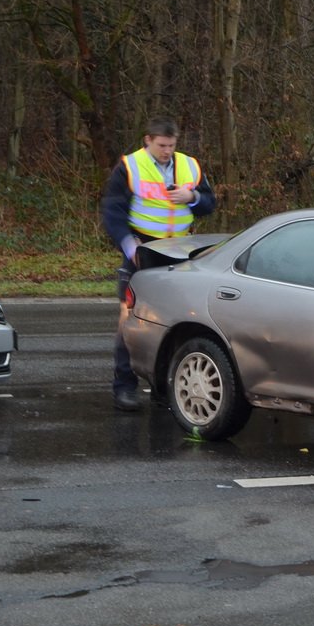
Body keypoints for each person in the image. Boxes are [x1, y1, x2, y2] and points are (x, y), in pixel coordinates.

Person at [101, 117, 216, 411]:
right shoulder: (130, 166)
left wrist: (192, 196)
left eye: (172, 145)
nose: (167, 151)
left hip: (181, 251)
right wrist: (129, 245)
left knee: (175, 320)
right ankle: (125, 387)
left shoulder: (190, 165)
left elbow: (209, 203)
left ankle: (163, 387)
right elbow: (112, 210)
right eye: (162, 145)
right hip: (144, 249)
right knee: (130, 320)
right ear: (148, 140)